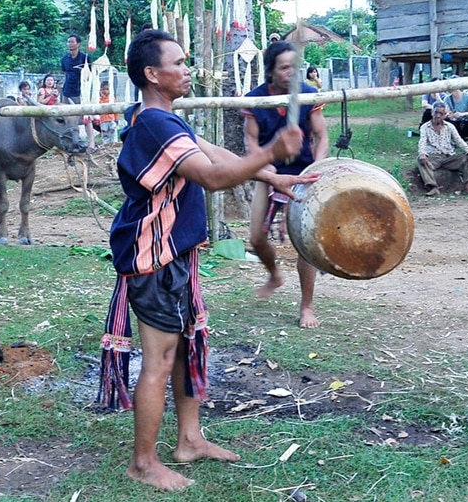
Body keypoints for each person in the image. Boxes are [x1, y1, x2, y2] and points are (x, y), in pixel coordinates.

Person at [97, 29, 315, 492]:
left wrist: (272, 174)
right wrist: (273, 151)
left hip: (176, 252)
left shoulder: (163, 119)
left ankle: (190, 440)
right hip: (153, 257)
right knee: (159, 359)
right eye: (178, 62)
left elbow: (212, 153)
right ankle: (143, 463)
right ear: (153, 74)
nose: (187, 68)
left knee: (186, 345)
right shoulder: (154, 124)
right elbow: (213, 177)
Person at [241, 41, 329, 328]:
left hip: (304, 173)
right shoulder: (255, 99)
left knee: (305, 244)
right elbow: (251, 142)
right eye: (284, 67)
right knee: (255, 238)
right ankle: (274, 275)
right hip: (268, 172)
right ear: (270, 70)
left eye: (295, 66)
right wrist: (264, 167)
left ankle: (307, 306)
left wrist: (316, 168)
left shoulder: (307, 95)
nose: (291, 72)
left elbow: (321, 136)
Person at [417, 101, 468, 195]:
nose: (438, 116)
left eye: (441, 113)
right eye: (436, 112)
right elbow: (422, 142)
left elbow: (459, 141)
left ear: (445, 115)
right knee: (421, 160)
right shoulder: (425, 127)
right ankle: (433, 187)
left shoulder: (450, 126)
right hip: (433, 157)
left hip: (449, 157)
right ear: (432, 112)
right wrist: (422, 154)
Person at [61, 34, 92, 143]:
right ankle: (72, 141)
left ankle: (91, 143)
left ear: (78, 44)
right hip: (67, 91)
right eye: (68, 42)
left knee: (86, 118)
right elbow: (65, 73)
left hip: (81, 92)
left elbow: (89, 75)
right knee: (67, 119)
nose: (69, 44)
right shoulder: (64, 59)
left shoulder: (85, 58)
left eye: (72, 41)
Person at [95, 80, 120, 145]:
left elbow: (116, 110)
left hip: (112, 120)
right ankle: (106, 147)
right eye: (103, 89)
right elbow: (99, 107)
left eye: (107, 89)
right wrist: (101, 97)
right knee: (105, 136)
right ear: (100, 90)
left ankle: (114, 146)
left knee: (113, 134)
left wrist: (116, 118)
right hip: (103, 121)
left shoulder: (112, 98)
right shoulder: (99, 99)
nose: (105, 91)